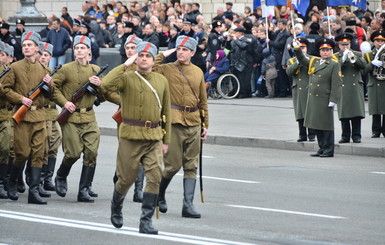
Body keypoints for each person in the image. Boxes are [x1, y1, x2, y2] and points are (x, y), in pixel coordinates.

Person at [103, 42, 171, 234]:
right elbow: (106, 85)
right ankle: (116, 206)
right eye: (140, 55)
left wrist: (166, 141)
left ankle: (146, 221)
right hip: (130, 136)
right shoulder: (126, 77)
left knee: (155, 176)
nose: (143, 58)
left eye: (148, 56)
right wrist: (126, 64)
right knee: (126, 179)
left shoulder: (161, 80)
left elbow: (166, 111)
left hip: (154, 137)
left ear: (153, 59)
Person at [52, 35, 119, 203]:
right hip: (71, 117)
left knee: (91, 153)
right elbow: (53, 88)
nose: (79, 50)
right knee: (72, 153)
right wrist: (64, 102)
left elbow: (104, 95)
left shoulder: (95, 70)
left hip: (89, 117)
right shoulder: (65, 69)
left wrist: (99, 85)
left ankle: (84, 189)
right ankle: (61, 175)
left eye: (83, 47)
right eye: (77, 48)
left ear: (89, 51)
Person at [153, 35, 209, 218]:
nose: (181, 52)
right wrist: (165, 53)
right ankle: (159, 195)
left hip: (194, 121)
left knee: (191, 166)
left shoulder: (198, 72)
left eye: (185, 50)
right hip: (174, 121)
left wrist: (205, 124)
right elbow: (150, 67)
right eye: (179, 49)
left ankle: (188, 205)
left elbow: (203, 100)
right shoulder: (167, 69)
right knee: (172, 165)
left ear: (192, 52)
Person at [2, 31, 53, 204]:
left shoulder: (46, 71)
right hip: (21, 117)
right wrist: (21, 99)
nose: (26, 48)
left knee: (38, 153)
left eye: (30, 45)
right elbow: (6, 89)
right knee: (22, 153)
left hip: (39, 116)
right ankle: (12, 181)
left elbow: (48, 97)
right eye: (24, 45)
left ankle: (33, 192)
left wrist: (49, 85)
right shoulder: (15, 68)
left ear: (37, 48)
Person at [104, 34, 147, 203]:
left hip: (144, 116)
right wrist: (123, 101)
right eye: (127, 48)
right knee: (125, 151)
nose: (129, 51)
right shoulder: (122, 69)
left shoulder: (146, 67)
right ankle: (119, 177)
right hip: (125, 115)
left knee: (143, 152)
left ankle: (138, 190)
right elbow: (107, 90)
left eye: (133, 48)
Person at [293, 38, 341, 157]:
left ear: (331, 51)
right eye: (323, 50)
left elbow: (337, 83)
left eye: (328, 50)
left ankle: (329, 149)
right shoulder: (315, 61)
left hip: (324, 98)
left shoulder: (334, 64)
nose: (325, 52)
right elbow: (303, 60)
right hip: (314, 98)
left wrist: (333, 100)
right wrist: (297, 49)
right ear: (319, 52)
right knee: (317, 125)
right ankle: (322, 148)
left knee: (326, 125)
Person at [37, 42, 63, 191]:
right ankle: (37, 179)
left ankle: (47, 178)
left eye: (46, 55)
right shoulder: (36, 72)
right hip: (41, 113)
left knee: (54, 144)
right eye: (41, 54)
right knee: (42, 148)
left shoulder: (53, 74)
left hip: (53, 114)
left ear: (50, 57)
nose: (43, 57)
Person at [334, 34, 366, 143]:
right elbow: (334, 69)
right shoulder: (336, 56)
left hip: (355, 86)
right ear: (339, 45)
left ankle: (357, 135)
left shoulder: (357, 53)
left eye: (347, 44)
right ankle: (345, 135)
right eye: (342, 45)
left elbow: (364, 66)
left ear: (350, 44)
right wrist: (342, 59)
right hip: (342, 86)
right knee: (344, 112)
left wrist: (354, 58)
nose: (345, 47)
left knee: (356, 111)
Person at [286, 37, 316, 142]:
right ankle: (302, 134)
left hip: (309, 87)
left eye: (304, 47)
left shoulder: (312, 59)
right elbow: (289, 72)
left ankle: (312, 134)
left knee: (310, 111)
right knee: (300, 113)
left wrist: (303, 59)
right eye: (300, 47)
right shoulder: (292, 60)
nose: (302, 49)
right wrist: (298, 63)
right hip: (298, 88)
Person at [364, 30, 385, 138]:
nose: (380, 43)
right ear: (373, 42)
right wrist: (372, 63)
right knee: (375, 109)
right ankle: (376, 130)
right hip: (374, 83)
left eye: (382, 41)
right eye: (377, 41)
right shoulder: (368, 55)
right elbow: (364, 70)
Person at [0, 42, 12, 199]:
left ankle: (2, 183)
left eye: (3, 54)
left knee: (5, 148)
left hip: (6, 114)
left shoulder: (11, 72)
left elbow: (12, 93)